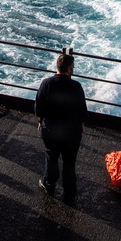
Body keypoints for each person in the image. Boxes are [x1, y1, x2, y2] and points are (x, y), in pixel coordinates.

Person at [34, 53, 87, 199]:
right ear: (69, 68)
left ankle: (49, 184)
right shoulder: (76, 86)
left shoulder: (46, 83)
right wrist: (81, 124)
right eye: (73, 67)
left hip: (51, 130)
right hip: (71, 132)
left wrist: (40, 122)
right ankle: (69, 189)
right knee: (69, 161)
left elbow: (39, 107)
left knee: (51, 156)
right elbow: (82, 109)